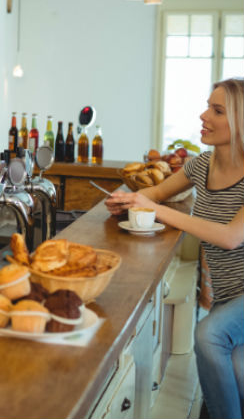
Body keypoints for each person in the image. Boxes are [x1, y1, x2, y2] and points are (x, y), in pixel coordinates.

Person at [105, 78, 244, 419]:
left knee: (208, 335)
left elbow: (230, 237)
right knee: (236, 372)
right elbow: (154, 195)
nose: (203, 116)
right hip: (230, 297)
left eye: (217, 110)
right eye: (206, 106)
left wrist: (156, 210)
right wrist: (124, 202)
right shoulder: (200, 165)